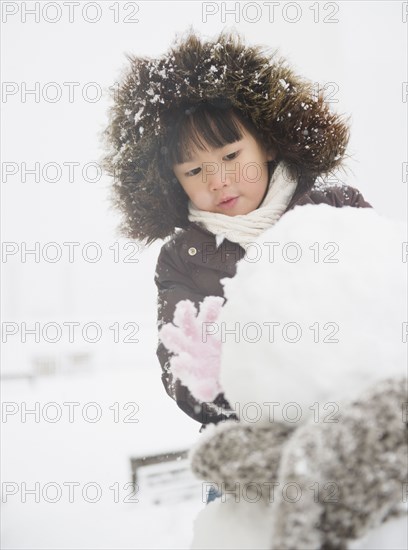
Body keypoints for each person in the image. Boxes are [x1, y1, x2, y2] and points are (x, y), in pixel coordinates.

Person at [102, 29, 371, 436]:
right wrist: (245, 400)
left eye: (230, 156)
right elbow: (182, 365)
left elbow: (388, 292)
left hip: (356, 413)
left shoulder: (337, 208)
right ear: (174, 182)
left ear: (268, 144)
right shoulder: (183, 259)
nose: (219, 180)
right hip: (252, 434)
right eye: (194, 170)